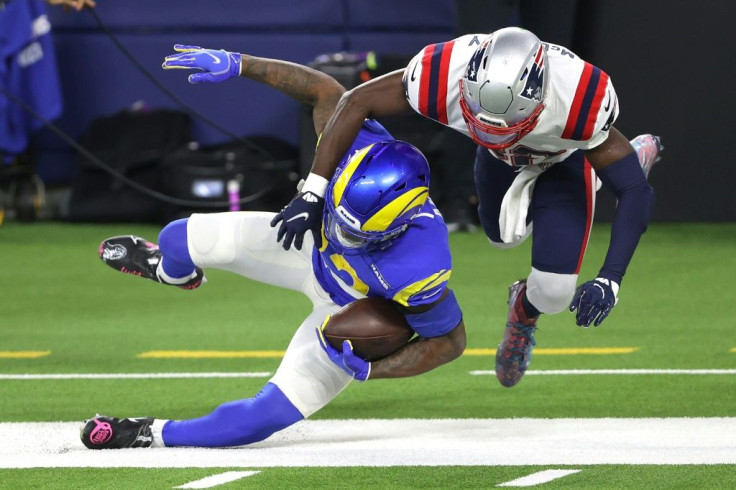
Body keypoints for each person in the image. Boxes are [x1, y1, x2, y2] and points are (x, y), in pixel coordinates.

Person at [80, 45, 466, 449]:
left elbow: (449, 343)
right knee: (176, 237)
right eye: (341, 215)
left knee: (260, 420)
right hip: (306, 248)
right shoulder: (353, 146)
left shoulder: (423, 265)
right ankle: (172, 273)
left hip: (347, 307)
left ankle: (147, 432)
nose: (344, 232)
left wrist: (374, 369)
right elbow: (322, 89)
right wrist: (241, 64)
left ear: (396, 228)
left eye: (357, 232)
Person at [271, 27, 662, 388]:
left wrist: (610, 277)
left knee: (555, 294)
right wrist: (313, 191)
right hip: (498, 160)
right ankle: (593, 177)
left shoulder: (579, 99)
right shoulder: (442, 71)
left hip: (563, 160)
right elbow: (355, 101)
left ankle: (526, 307)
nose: (493, 126)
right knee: (502, 239)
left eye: (507, 122)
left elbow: (634, 192)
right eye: (482, 118)